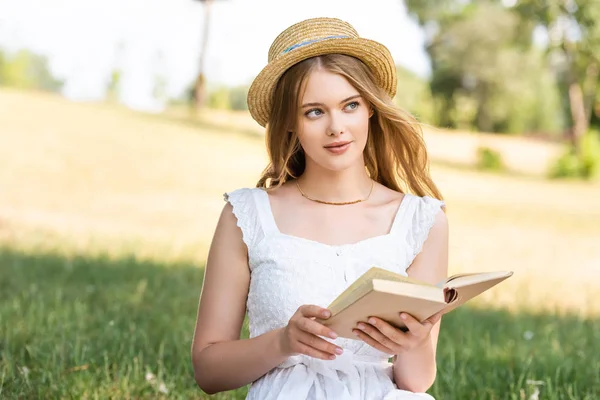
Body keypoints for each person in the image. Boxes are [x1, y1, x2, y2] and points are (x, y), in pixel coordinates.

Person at [191, 17, 448, 400]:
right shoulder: (247, 215)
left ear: (371, 109)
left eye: (350, 106)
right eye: (314, 111)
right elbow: (208, 370)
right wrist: (283, 342)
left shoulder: (421, 220)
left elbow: (416, 382)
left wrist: (415, 342)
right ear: (290, 123)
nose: (336, 127)